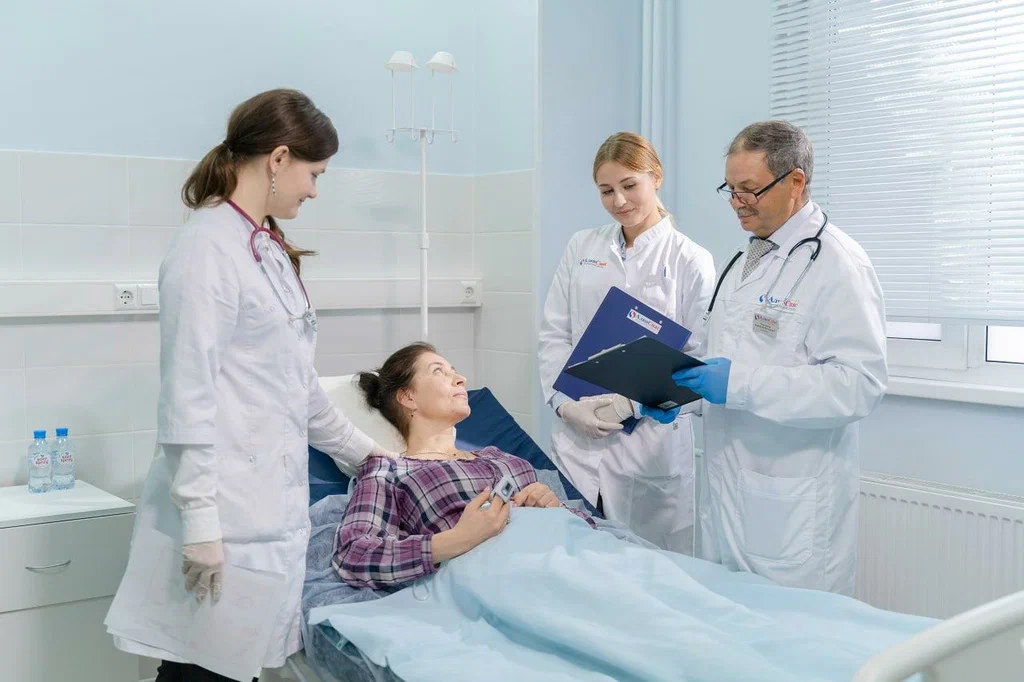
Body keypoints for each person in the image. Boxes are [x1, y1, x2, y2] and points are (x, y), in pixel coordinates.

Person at [106, 89, 393, 682]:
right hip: (222, 523)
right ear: (279, 158)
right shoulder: (206, 248)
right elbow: (187, 397)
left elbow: (300, 391)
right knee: (198, 676)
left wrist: (371, 456)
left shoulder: (266, 248)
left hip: (266, 519)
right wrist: (200, 522)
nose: (315, 190)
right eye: (315, 174)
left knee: (235, 672)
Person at [672, 120, 887, 595]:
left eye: (749, 189)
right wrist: (679, 396)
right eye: (730, 189)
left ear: (795, 182)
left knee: (793, 634)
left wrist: (738, 384)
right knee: (724, 625)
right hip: (728, 493)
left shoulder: (838, 263)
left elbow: (858, 385)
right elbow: (725, 362)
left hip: (791, 503)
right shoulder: (743, 260)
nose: (737, 202)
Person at [538, 132, 715, 554]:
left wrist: (628, 405)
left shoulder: (690, 259)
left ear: (656, 178)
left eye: (629, 185)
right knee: (575, 561)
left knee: (649, 569)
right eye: (606, 190)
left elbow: (699, 359)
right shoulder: (582, 246)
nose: (619, 201)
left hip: (648, 447)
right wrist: (564, 404)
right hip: (577, 440)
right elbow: (555, 333)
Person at [334, 343, 596, 590]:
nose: (461, 379)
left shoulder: (501, 457)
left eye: (455, 371)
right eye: (439, 371)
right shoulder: (390, 471)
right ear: (408, 397)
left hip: (575, 561)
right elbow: (352, 555)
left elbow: (590, 527)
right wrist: (459, 538)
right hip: (509, 581)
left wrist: (555, 508)